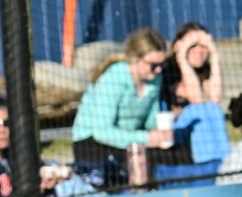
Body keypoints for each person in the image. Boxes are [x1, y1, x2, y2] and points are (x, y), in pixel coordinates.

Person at [70, 28, 178, 179]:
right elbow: (102, 132)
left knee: (174, 156)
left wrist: (161, 133)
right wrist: (146, 138)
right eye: (153, 65)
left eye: (162, 64)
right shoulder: (114, 77)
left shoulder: (155, 79)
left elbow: (150, 123)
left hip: (128, 141)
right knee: (137, 166)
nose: (159, 70)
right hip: (92, 144)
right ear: (135, 58)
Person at [162, 23, 222, 110]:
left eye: (204, 45)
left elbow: (215, 100)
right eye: (192, 45)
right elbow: (196, 100)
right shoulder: (167, 69)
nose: (199, 51)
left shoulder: (204, 69)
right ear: (177, 46)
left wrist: (214, 55)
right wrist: (182, 57)